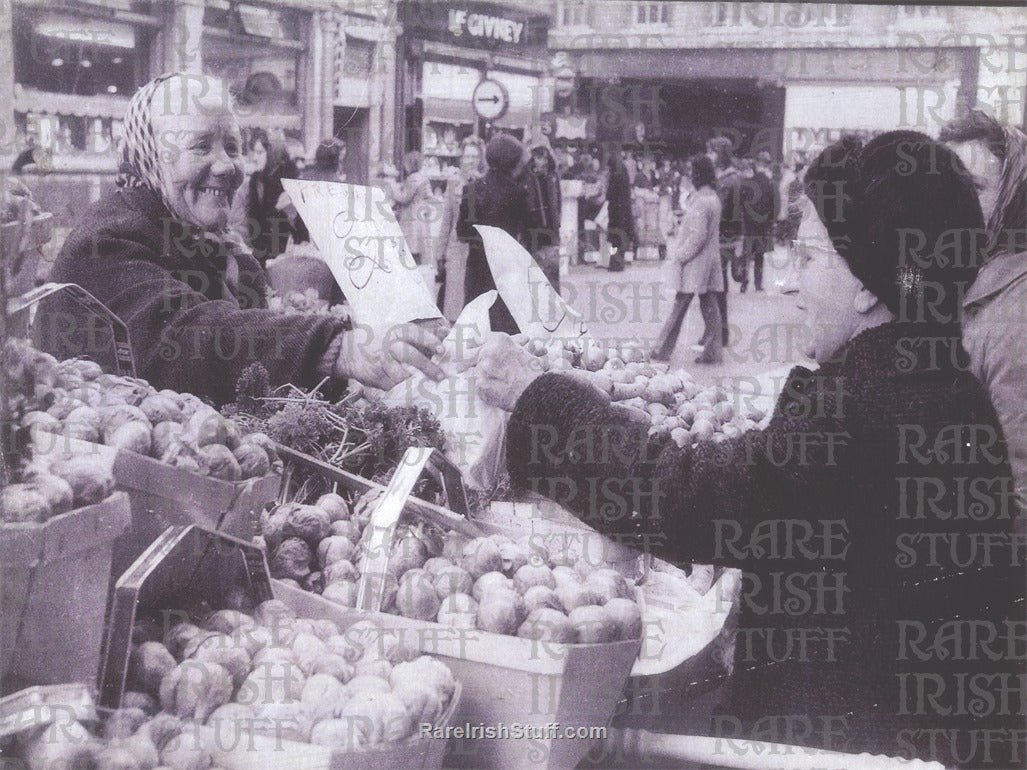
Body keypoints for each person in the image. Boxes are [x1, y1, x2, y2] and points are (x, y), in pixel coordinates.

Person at [476, 132, 1023, 768]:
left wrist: (536, 397)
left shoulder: (863, 409)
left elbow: (684, 496)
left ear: (871, 285)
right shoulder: (943, 385)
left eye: (812, 258)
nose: (790, 282)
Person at [39, 73, 445, 405]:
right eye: (200, 146)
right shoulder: (108, 239)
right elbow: (190, 337)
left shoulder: (216, 248)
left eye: (232, 146)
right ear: (148, 156)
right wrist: (340, 348)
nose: (227, 165)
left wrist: (362, 357)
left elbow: (251, 351)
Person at [941, 110, 1027, 522]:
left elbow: (1021, 492)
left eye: (972, 188)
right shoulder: (960, 276)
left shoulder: (1017, 312)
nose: (949, 205)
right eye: (940, 188)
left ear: (1013, 197)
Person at [651, 155, 723, 364]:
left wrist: (680, 256)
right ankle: (712, 352)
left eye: (692, 171)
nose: (690, 175)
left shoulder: (701, 201)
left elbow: (697, 236)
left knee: (679, 307)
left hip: (695, 264)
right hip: (710, 261)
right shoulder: (713, 198)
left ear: (699, 174)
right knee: (710, 310)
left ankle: (661, 349)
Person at [457, 132, 530, 334]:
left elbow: (462, 233)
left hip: (477, 268)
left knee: (476, 326)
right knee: (506, 327)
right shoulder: (518, 193)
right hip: (507, 270)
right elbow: (525, 236)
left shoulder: (471, 190)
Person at [437, 136, 486, 320]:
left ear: (481, 159)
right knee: (454, 301)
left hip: (477, 249)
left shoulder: (484, 182)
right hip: (456, 247)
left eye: (474, 156)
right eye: (467, 156)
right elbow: (447, 219)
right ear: (461, 158)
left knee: (474, 301)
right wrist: (440, 252)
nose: (471, 160)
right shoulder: (453, 182)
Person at [708, 136, 742, 345]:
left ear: (720, 154)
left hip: (723, 239)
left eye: (712, 152)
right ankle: (717, 331)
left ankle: (721, 333)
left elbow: (718, 208)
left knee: (718, 287)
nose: (710, 156)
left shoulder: (728, 180)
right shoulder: (726, 177)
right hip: (725, 238)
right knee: (716, 287)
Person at [245, 130, 298, 264]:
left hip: (284, 257)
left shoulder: (288, 182)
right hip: (260, 254)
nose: (255, 158)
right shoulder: (256, 180)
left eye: (260, 152)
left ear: (272, 154)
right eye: (254, 152)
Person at [523, 139, 563, 293]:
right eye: (538, 156)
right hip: (532, 232)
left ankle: (553, 307)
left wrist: (557, 223)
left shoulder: (552, 176)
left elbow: (558, 202)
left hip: (550, 231)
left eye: (544, 157)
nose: (542, 161)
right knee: (533, 274)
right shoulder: (527, 177)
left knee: (552, 272)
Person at [384, 151, 435, 268]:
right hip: (421, 219)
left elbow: (403, 198)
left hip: (411, 220)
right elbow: (429, 196)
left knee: (410, 253)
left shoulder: (412, 178)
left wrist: (392, 188)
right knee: (417, 254)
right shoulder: (423, 178)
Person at [738, 150, 777, 292]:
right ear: (766, 165)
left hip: (749, 223)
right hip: (763, 225)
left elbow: (741, 203)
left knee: (746, 254)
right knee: (759, 255)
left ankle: (744, 282)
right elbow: (773, 206)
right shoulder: (769, 183)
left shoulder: (747, 182)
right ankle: (758, 284)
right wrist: (771, 223)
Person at [604, 150, 635, 273]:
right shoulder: (624, 173)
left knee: (614, 240)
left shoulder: (614, 176)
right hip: (624, 211)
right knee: (621, 239)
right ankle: (619, 263)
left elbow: (609, 194)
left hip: (615, 212)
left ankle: (614, 263)